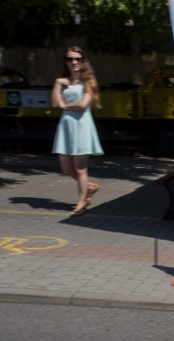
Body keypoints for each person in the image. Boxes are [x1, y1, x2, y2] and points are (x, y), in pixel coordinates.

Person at [51, 46, 103, 217]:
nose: (74, 62)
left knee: (80, 168)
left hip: (82, 126)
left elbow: (83, 104)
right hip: (66, 126)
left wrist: (66, 106)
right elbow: (54, 103)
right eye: (70, 59)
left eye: (78, 59)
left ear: (83, 61)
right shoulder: (64, 81)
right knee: (66, 168)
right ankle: (89, 186)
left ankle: (82, 203)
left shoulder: (88, 81)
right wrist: (58, 84)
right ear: (65, 61)